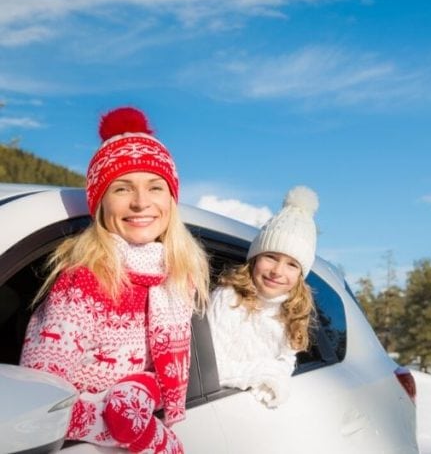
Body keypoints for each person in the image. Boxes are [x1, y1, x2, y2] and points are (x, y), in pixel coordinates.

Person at [20, 106, 210, 453]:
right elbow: (39, 403)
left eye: (155, 187)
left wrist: (139, 394)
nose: (140, 203)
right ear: (101, 202)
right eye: (122, 188)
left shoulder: (179, 279)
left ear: (171, 199)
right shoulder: (83, 284)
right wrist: (132, 428)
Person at [207, 185, 318, 408]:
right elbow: (210, 368)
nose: (277, 271)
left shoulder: (293, 312)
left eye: (291, 264)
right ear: (254, 259)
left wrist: (276, 379)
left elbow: (285, 361)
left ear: (300, 275)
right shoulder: (229, 298)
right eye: (270, 256)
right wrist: (264, 373)